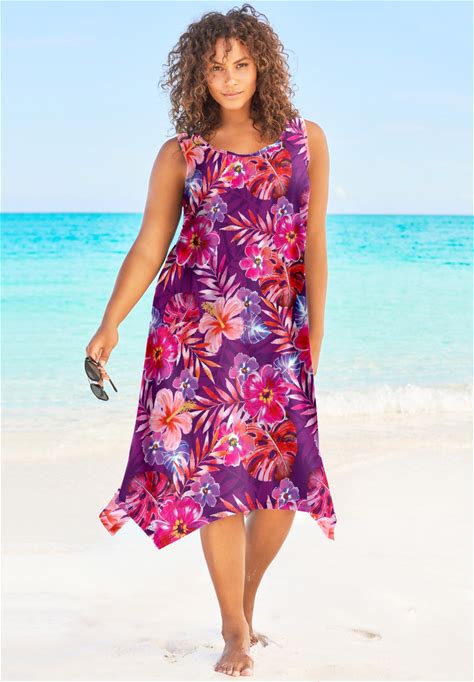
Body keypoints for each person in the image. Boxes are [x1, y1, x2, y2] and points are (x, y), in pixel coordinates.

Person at [87, 4, 337, 677]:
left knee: (285, 477)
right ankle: (233, 628)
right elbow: (150, 245)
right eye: (216, 67)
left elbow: (313, 242)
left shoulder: (305, 140)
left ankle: (245, 603)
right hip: (195, 335)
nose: (229, 78)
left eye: (241, 64)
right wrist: (111, 321)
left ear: (262, 66)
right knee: (215, 479)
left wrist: (315, 331)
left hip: (277, 333)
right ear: (197, 76)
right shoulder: (182, 153)